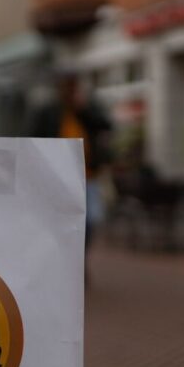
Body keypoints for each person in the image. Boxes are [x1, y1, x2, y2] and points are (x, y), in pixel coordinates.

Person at [29, 74, 113, 249]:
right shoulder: (49, 112)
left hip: (87, 177)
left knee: (89, 220)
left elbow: (105, 125)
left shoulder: (87, 109)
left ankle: (81, 255)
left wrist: (82, 110)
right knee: (60, 220)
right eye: (67, 87)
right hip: (58, 177)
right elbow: (33, 137)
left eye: (73, 87)